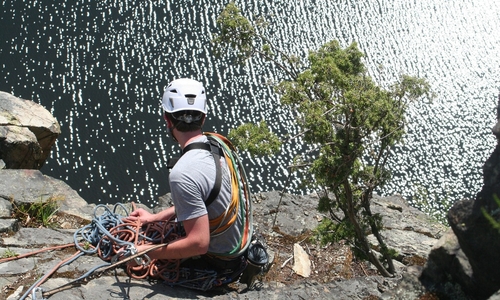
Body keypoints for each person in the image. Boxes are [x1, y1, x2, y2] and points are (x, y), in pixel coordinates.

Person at [125, 78, 254, 289]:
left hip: (218, 260)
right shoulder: (218, 144)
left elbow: (199, 243)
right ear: (203, 118)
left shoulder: (182, 173)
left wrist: (145, 252)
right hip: (237, 245)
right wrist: (155, 218)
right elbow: (203, 198)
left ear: (167, 120)